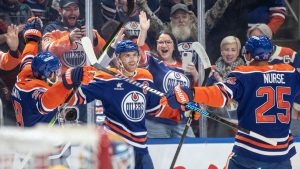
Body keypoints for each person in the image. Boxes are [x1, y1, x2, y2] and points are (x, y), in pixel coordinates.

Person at [166, 35, 298, 169]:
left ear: (248, 55)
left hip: (249, 151)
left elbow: (220, 95)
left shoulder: (244, 74)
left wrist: (191, 93)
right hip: (281, 153)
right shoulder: (290, 72)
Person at [72, 40, 179, 169]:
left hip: (140, 146)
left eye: (134, 55)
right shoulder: (107, 78)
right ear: (118, 58)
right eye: (127, 56)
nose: (132, 59)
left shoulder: (145, 77)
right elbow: (78, 97)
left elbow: (156, 108)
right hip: (116, 145)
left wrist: (181, 110)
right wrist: (77, 80)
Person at [11, 17, 96, 127]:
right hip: (39, 141)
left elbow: (28, 56)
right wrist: (67, 82)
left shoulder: (25, 75)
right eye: (56, 72)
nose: (58, 74)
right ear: (48, 74)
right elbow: (46, 103)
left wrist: (32, 39)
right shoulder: (34, 90)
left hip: (25, 135)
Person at [42, 0, 105, 73]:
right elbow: (46, 53)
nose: (72, 12)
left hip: (85, 79)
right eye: (68, 9)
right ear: (60, 11)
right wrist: (68, 39)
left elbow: (103, 54)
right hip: (61, 81)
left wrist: (95, 38)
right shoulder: (51, 29)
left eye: (75, 9)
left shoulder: (86, 28)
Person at [205, 36, 244, 137]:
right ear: (221, 51)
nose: (229, 53)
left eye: (233, 50)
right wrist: (215, 88)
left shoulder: (245, 70)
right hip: (219, 120)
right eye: (226, 50)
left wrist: (223, 84)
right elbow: (206, 96)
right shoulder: (214, 70)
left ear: (238, 52)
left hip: (240, 118)